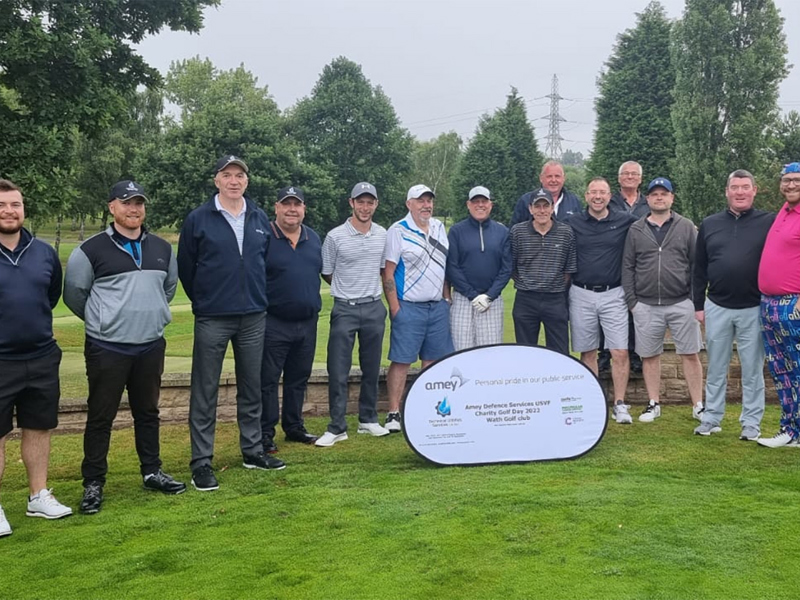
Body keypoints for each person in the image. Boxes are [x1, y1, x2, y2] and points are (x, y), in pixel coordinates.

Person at [64, 180, 186, 514]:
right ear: (112, 207)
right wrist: (104, 320)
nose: (134, 209)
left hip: (149, 345)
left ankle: (152, 471)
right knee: (101, 416)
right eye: (126, 202)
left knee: (147, 412)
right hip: (108, 347)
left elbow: (169, 287)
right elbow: (75, 294)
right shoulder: (90, 250)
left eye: (139, 203)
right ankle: (93, 483)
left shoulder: (162, 247)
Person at [178, 155, 284, 493]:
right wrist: (205, 300)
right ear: (217, 180)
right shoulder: (199, 218)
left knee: (252, 386)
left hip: (253, 316)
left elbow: (262, 264)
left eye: (239, 175)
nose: (234, 181)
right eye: (227, 175)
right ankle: (201, 462)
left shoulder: (258, 217)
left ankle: (252, 451)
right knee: (205, 390)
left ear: (246, 182)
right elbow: (187, 267)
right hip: (213, 316)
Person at [0, 178, 71, 537]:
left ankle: (37, 495)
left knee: (39, 426)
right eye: (1, 205)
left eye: (15, 204)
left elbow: (51, 295)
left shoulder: (43, 252)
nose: (8, 211)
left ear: (24, 209)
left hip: (41, 355)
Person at [692, 170, 774, 439]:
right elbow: (699, 268)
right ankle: (712, 418)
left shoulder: (769, 222)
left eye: (745, 187)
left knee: (752, 370)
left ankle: (751, 423)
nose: (740, 192)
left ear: (754, 190)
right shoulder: (710, 223)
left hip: (754, 307)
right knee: (716, 367)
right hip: (717, 305)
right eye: (735, 187)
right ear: (726, 191)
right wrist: (698, 305)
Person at [622, 177, 704, 423]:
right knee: (649, 356)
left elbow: (697, 265)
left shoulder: (686, 226)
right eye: (654, 194)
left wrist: (694, 300)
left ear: (671, 198)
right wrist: (632, 303)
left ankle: (698, 405)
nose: (659, 197)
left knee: (690, 353)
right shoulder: (636, 230)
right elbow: (628, 267)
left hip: (681, 302)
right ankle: (653, 402)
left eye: (663, 194)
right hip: (646, 305)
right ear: (647, 199)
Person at [315, 182, 390, 447]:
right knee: (338, 368)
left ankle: (368, 420)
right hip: (344, 307)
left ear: (376, 205)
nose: (365, 207)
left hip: (373, 306)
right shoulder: (335, 236)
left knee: (371, 367)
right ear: (351, 203)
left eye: (370, 202)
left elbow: (384, 270)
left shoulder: (383, 234)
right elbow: (327, 271)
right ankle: (337, 426)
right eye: (361, 202)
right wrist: (346, 288)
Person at [382, 184, 454, 433]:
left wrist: (446, 298)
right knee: (401, 361)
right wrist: (395, 309)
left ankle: (425, 408)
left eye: (429, 200)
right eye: (420, 200)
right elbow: (388, 272)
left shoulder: (438, 227)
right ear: (409, 204)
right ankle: (393, 412)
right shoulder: (398, 231)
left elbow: (443, 267)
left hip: (437, 307)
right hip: (408, 306)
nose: (426, 205)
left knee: (432, 361)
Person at [566, 177, 637, 423]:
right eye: (593, 192)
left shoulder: (624, 220)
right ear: (586, 195)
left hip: (614, 294)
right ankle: (592, 399)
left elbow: (650, 230)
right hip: (581, 293)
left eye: (603, 192)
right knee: (588, 352)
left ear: (610, 196)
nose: (598, 196)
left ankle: (620, 404)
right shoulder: (572, 222)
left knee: (619, 351)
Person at [261, 186, 322, 449]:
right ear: (276, 207)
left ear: (304, 209)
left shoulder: (314, 238)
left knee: (299, 378)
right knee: (268, 381)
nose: (292, 209)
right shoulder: (264, 237)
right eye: (286, 204)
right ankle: (265, 433)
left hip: (307, 323)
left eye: (297, 205)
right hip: (274, 322)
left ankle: (294, 426)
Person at [757, 162, 800, 448]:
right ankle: (790, 429)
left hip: (794, 304)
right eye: (786, 180)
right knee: (781, 370)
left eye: (796, 180)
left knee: (797, 369)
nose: (791, 185)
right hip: (770, 304)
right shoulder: (784, 212)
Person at [510, 188, 577, 355]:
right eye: (537, 206)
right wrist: (527, 282)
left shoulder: (565, 232)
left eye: (545, 206)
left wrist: (553, 285)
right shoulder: (517, 232)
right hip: (526, 298)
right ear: (530, 208)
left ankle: (559, 382)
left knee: (560, 353)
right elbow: (512, 266)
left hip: (555, 299)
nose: (542, 211)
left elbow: (568, 269)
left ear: (552, 207)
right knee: (525, 352)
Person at [446, 186, 512, 350]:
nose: (480, 205)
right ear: (468, 204)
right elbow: (452, 266)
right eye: (476, 202)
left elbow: (506, 268)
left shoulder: (502, 231)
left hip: (492, 300)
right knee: (460, 351)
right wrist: (472, 295)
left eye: (484, 201)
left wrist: (489, 295)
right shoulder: (456, 231)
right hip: (462, 299)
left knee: (489, 352)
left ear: (491, 204)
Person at [600, 160, 649, 375]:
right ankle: (604, 357)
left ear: (640, 178)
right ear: (619, 178)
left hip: (641, 266)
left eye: (634, 174)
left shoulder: (649, 204)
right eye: (625, 174)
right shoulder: (610, 202)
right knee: (605, 314)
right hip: (612, 263)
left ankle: (636, 357)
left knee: (635, 313)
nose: (630, 177)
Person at [510, 161, 582, 226]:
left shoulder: (574, 201)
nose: (553, 180)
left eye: (557, 176)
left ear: (564, 178)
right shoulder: (526, 200)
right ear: (541, 178)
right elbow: (514, 231)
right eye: (549, 176)